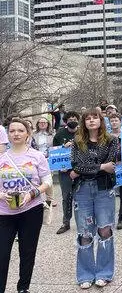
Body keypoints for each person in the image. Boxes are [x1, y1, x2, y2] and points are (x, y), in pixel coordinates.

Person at [0, 118, 52, 293]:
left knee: (27, 252)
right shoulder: (2, 157)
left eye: (20, 130)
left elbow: (47, 181)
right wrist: (2, 195)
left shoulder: (37, 156)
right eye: (12, 130)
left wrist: (32, 194)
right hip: (4, 213)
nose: (16, 133)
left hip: (31, 210)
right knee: (2, 254)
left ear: (28, 134)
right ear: (8, 134)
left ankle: (23, 288)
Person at [70, 108, 119, 289]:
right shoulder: (77, 142)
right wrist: (100, 166)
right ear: (84, 122)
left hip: (104, 189)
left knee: (105, 230)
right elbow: (75, 166)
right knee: (84, 232)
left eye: (95, 118)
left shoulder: (111, 141)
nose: (91, 121)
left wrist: (85, 169)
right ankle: (85, 274)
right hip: (82, 190)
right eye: (88, 118)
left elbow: (111, 165)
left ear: (101, 121)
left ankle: (104, 273)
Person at [53, 111, 80, 235]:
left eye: (74, 118)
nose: (72, 120)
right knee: (66, 197)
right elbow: (55, 152)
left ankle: (83, 222)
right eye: (70, 119)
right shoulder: (59, 134)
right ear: (65, 121)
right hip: (65, 171)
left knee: (82, 196)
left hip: (81, 170)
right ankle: (66, 222)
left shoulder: (82, 133)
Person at [109, 113, 122, 230]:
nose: (114, 123)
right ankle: (108, 217)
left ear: (120, 121)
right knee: (109, 193)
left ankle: (121, 218)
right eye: (112, 121)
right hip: (110, 167)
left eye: (116, 120)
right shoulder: (106, 136)